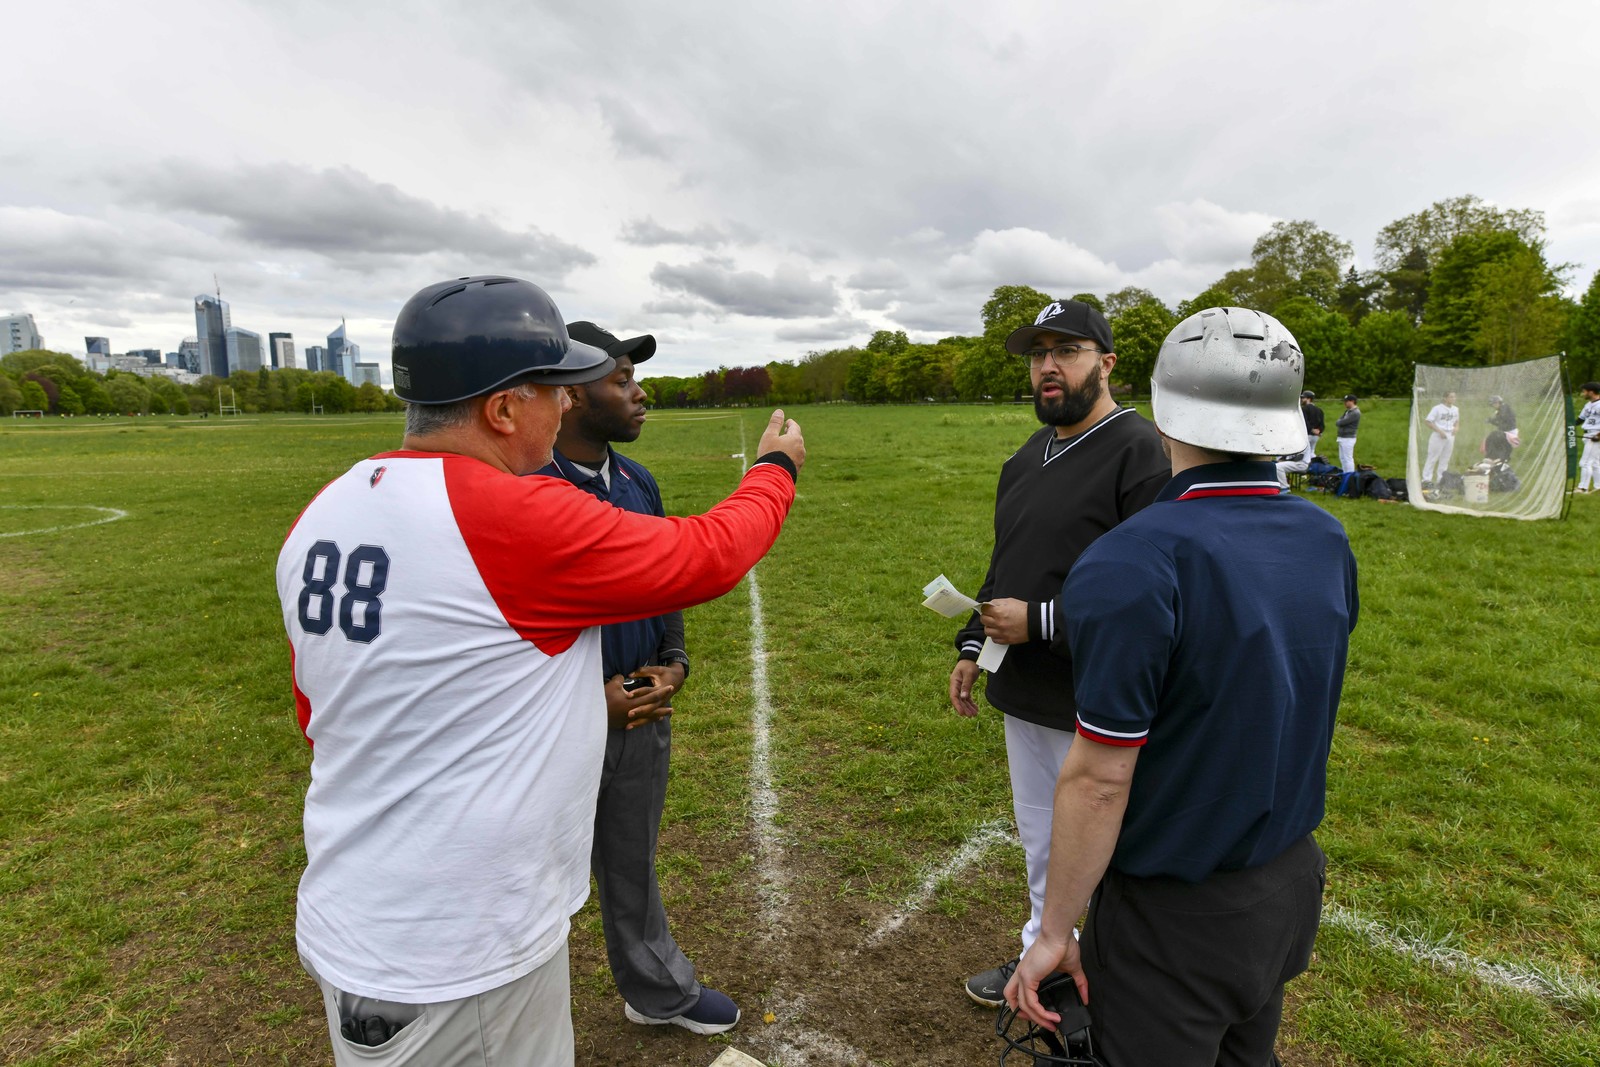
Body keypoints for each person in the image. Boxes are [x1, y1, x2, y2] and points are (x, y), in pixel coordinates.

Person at [276, 276, 806, 1067]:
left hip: (361, 911)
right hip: (463, 944)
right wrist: (775, 470)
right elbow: (709, 553)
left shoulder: (326, 510)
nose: (564, 406)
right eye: (552, 389)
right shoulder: (508, 512)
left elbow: (319, 708)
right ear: (500, 409)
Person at [1004, 306, 1358, 1066]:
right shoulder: (1326, 537)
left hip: (1176, 913)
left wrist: (1054, 932)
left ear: (1165, 406)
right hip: (1288, 882)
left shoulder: (1136, 557)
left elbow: (1100, 776)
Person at [950, 298, 1169, 1008]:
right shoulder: (1025, 458)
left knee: (1109, 848)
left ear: (1106, 363)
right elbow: (1008, 565)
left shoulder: (1143, 451)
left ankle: (1116, 981)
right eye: (1038, 354)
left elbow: (1162, 592)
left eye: (1066, 350)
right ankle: (1044, 958)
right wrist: (975, 642)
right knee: (1045, 842)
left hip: (1100, 698)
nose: (1048, 366)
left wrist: (1042, 620)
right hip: (1027, 693)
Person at [536, 319, 738, 1035]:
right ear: (568, 395)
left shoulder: (636, 480)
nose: (639, 393)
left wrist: (674, 663)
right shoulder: (525, 490)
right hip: (553, 724)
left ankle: (655, 989)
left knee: (630, 858)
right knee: (528, 872)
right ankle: (518, 1007)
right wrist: (587, 701)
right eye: (620, 380)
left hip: (643, 709)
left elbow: (665, 580)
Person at [1275, 389, 1324, 488]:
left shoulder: (1304, 409)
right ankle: (1310, 476)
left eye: (1303, 398)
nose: (1302, 399)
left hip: (1308, 435)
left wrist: (1311, 430)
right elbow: (1322, 423)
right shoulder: (1319, 410)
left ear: (1309, 399)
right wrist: (1319, 430)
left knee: (1305, 453)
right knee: (1312, 453)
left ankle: (1287, 485)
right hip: (1316, 436)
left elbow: (1304, 423)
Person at [1421, 390, 1460, 486]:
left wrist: (1456, 428)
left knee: (1445, 458)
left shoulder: (1455, 409)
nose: (1453, 399)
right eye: (1451, 397)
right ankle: (1426, 479)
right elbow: (1428, 421)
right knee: (1433, 457)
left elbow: (1457, 421)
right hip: (1438, 435)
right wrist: (1439, 431)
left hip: (1450, 435)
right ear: (1445, 398)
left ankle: (1441, 479)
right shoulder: (1437, 408)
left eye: (1454, 397)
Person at [1577, 381, 1600, 493]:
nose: (1583, 394)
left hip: (1595, 435)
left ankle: (1583, 488)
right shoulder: (1588, 405)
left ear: (1591, 392)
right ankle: (1598, 487)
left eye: (1584, 391)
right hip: (1587, 434)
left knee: (1585, 463)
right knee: (1595, 463)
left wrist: (1598, 436)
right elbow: (1580, 419)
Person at [1485, 394, 1518, 462]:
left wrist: (1492, 420)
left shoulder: (1504, 407)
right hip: (1505, 431)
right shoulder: (1499, 410)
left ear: (1498, 402)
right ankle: (1494, 457)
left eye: (1494, 404)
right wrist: (1491, 421)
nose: (1493, 406)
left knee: (1494, 437)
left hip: (1510, 432)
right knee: (1492, 438)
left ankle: (1496, 457)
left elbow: (1502, 418)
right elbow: (1499, 423)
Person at [1336, 393, 1361, 472]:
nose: (1345, 403)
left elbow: (1341, 422)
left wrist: (1339, 422)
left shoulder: (1355, 413)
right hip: (1342, 437)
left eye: (1346, 401)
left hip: (1348, 438)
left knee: (1348, 458)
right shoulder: (1347, 411)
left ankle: (1350, 475)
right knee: (1342, 458)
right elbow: (1339, 421)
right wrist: (1339, 421)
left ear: (1352, 401)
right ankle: (1345, 473)